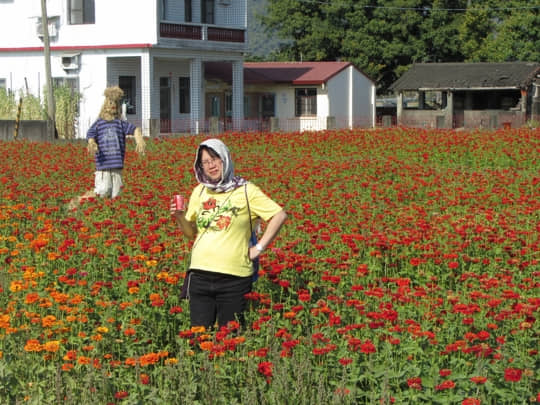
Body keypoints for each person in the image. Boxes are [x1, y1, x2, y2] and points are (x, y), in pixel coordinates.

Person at [171, 138, 287, 330]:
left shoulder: (246, 190)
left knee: (231, 337)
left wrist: (258, 248)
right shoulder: (199, 191)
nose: (211, 165)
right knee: (198, 336)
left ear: (225, 158)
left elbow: (279, 215)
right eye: (205, 162)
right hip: (199, 274)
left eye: (215, 159)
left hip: (234, 277)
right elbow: (191, 233)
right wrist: (180, 217)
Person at [68, 86, 145, 209]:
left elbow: (135, 129)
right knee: (102, 191)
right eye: (110, 102)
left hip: (117, 166)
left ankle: (110, 215)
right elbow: (90, 134)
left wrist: (139, 139)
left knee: (116, 195)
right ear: (105, 104)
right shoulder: (99, 123)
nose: (112, 105)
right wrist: (92, 143)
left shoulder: (120, 123)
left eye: (115, 103)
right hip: (103, 165)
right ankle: (79, 201)